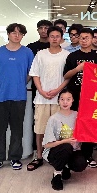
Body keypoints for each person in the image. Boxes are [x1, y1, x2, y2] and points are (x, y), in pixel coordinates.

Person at [0, 23, 34, 173]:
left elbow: (30, 73)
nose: (17, 35)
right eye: (14, 33)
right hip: (0, 97)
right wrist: (4, 85)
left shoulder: (27, 52)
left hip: (19, 96)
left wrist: (19, 83)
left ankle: (15, 157)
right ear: (8, 34)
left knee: (17, 129)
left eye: (20, 33)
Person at [27, 26, 70, 172]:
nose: (54, 39)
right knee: (40, 129)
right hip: (42, 99)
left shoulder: (66, 55)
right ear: (48, 37)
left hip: (60, 100)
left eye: (57, 36)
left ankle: (58, 157)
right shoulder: (41, 54)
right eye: (52, 36)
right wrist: (41, 91)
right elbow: (35, 74)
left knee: (60, 131)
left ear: (61, 38)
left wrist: (58, 90)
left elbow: (68, 77)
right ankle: (39, 156)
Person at [63, 28, 97, 168]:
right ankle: (71, 153)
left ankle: (88, 155)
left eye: (87, 38)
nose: (84, 40)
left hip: (91, 97)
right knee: (73, 124)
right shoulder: (72, 56)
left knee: (89, 126)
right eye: (81, 38)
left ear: (92, 39)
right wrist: (78, 69)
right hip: (75, 95)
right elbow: (66, 75)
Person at [42, 88, 87, 191]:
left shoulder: (77, 116)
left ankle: (65, 167)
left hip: (73, 150)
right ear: (58, 101)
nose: (65, 102)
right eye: (62, 99)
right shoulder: (53, 119)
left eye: (68, 99)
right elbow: (46, 145)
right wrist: (64, 141)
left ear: (73, 100)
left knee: (81, 163)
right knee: (66, 147)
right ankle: (57, 174)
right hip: (56, 151)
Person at [26, 19, 52, 153]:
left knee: (53, 120)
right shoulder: (31, 47)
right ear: (37, 30)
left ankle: (52, 148)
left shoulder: (56, 48)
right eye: (41, 28)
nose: (43, 30)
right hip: (37, 89)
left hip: (54, 89)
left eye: (46, 28)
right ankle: (37, 149)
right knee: (38, 120)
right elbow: (30, 68)